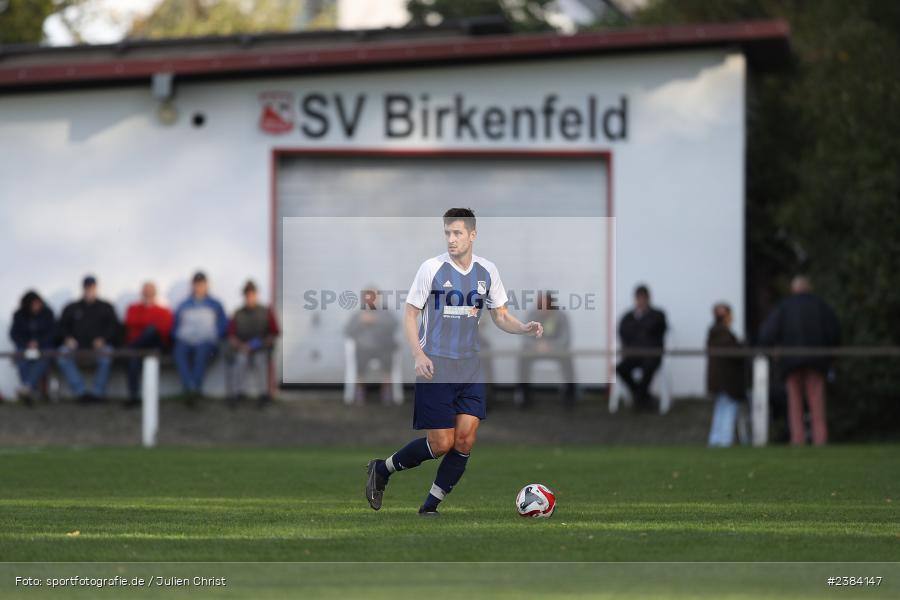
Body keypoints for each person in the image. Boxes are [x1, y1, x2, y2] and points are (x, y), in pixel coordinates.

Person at [366, 208, 544, 516]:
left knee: (465, 440)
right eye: (447, 233)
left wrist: (523, 328)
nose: (451, 239)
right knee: (441, 443)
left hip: (470, 366)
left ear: (472, 235)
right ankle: (382, 468)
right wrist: (418, 355)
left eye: (458, 233)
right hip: (437, 364)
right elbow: (410, 314)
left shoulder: (487, 271)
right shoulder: (431, 268)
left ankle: (429, 507)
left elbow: (500, 316)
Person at [759, 275, 839, 446]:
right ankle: (820, 440)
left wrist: (772, 350)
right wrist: (830, 355)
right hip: (817, 360)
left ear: (793, 289)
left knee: (794, 403)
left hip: (790, 361)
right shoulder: (820, 305)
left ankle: (798, 440)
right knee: (816, 401)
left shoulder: (784, 307)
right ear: (809, 288)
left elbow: (767, 334)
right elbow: (834, 331)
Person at [56, 275, 120, 403]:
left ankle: (98, 393)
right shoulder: (72, 307)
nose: (89, 290)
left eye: (92, 287)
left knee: (107, 354)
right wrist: (67, 339)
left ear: (96, 288)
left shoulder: (106, 307)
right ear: (83, 288)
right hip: (76, 348)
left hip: (99, 348)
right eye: (87, 287)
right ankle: (81, 393)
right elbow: (61, 327)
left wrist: (103, 339)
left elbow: (114, 328)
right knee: (62, 355)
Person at [172, 271, 228, 402]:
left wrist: (213, 336)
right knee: (178, 352)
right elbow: (175, 326)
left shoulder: (215, 304)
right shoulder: (183, 304)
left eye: (202, 284)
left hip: (206, 342)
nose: (199, 287)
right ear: (193, 285)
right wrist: (179, 337)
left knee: (201, 352)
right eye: (197, 284)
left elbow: (223, 324)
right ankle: (191, 386)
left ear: (207, 285)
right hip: (186, 341)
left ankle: (192, 388)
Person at [515, 290, 576, 408]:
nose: (543, 309)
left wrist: (550, 346)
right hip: (535, 350)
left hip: (556, 351)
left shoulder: (561, 316)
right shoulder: (532, 315)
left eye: (546, 305)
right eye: (540, 305)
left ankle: (570, 394)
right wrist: (536, 346)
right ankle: (524, 394)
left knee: (567, 359)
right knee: (522, 358)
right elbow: (525, 336)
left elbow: (565, 338)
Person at [225, 280, 280, 408]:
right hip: (242, 348)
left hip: (261, 348)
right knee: (240, 361)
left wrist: (260, 344)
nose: (250, 297)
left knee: (261, 361)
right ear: (244, 296)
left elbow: (275, 333)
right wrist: (241, 346)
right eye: (247, 294)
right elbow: (231, 335)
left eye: (252, 294)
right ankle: (236, 394)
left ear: (256, 294)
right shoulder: (238, 313)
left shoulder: (266, 311)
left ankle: (264, 395)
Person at [616, 284, 668, 411]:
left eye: (643, 298)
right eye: (639, 298)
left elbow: (657, 330)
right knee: (621, 368)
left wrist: (641, 320)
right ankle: (642, 396)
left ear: (648, 298)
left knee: (648, 368)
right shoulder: (628, 317)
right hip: (634, 355)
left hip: (652, 355)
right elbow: (622, 333)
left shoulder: (657, 315)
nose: (641, 301)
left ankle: (640, 398)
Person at [344, 285, 398, 405]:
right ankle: (360, 392)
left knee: (387, 360)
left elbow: (394, 325)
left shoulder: (385, 312)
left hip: (383, 348)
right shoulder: (358, 314)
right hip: (364, 348)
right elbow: (348, 331)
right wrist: (360, 322)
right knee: (359, 361)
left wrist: (376, 319)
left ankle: (386, 392)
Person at [123, 281, 173, 407]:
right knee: (133, 359)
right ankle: (133, 397)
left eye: (150, 293)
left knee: (151, 331)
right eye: (146, 293)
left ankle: (132, 349)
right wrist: (148, 324)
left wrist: (144, 326)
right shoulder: (133, 308)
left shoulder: (163, 311)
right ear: (142, 294)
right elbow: (130, 323)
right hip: (138, 347)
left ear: (155, 294)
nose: (148, 295)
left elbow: (164, 330)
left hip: (155, 346)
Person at [706, 303, 746, 447]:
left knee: (720, 409)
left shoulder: (714, 333)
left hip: (720, 380)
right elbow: (736, 353)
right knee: (727, 410)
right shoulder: (723, 334)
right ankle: (724, 440)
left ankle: (716, 440)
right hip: (728, 381)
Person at [9, 290, 56, 404]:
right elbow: (14, 334)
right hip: (25, 347)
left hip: (43, 347)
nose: (37, 306)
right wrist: (27, 344)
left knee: (45, 357)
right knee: (21, 358)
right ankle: (30, 390)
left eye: (38, 303)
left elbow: (53, 333)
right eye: (34, 304)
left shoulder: (47, 313)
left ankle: (27, 387)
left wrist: (38, 343)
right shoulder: (19, 315)